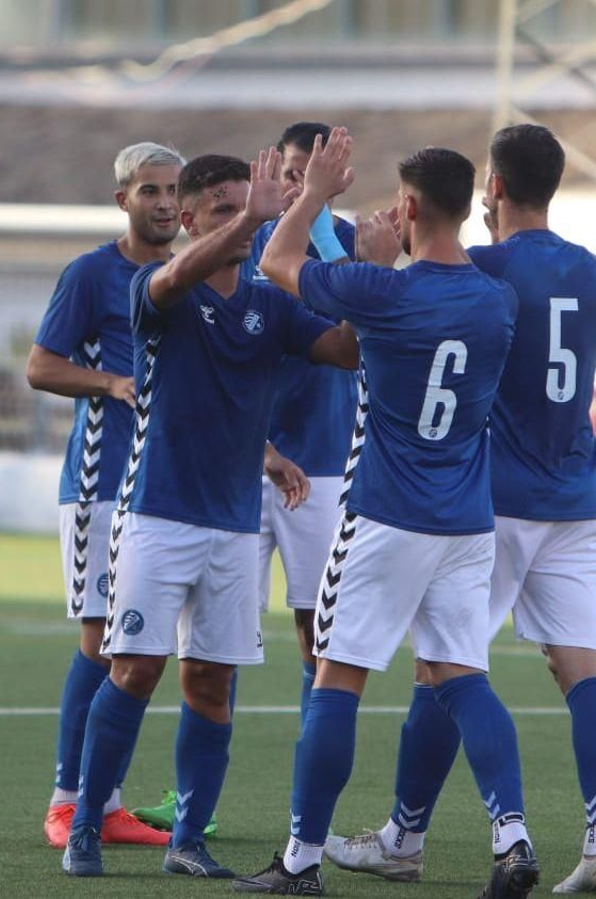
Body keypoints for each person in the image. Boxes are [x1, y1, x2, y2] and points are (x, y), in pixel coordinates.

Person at [232, 130, 539, 898]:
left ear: (406, 207)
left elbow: (276, 263)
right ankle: (513, 836)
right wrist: (378, 264)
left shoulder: (384, 292)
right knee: (462, 674)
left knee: (337, 679)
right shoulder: (497, 303)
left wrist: (318, 199)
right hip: (467, 522)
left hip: (384, 514)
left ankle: (300, 860)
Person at [325, 123, 596, 894]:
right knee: (581, 667)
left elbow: (419, 305)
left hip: (494, 498)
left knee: (443, 668)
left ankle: (403, 835)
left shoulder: (484, 267)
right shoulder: (592, 272)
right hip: (577, 495)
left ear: (491, 189)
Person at [60, 151, 358, 880]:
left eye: (243, 206)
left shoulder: (271, 304)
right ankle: (85, 826)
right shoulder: (157, 289)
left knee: (211, 680)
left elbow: (347, 349)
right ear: (188, 219)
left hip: (232, 524)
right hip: (157, 515)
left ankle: (189, 839)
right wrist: (266, 212)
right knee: (133, 668)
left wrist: (362, 272)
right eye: (222, 208)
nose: (239, 218)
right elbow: (174, 277)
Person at [26, 141, 185, 851]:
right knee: (100, 641)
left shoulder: (192, 275)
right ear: (123, 199)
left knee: (142, 649)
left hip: (172, 488)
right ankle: (68, 801)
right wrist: (110, 384)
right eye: (149, 190)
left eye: (172, 190)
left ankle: (108, 799)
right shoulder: (92, 274)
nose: (163, 202)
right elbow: (40, 365)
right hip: (102, 483)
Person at [248, 121, 359, 717]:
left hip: (322, 462)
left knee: (317, 632)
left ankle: (307, 801)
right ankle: (194, 804)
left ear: (336, 178)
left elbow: (365, 342)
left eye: (311, 175)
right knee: (217, 638)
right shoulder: (243, 243)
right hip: (243, 460)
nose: (298, 185)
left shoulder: (354, 246)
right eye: (292, 173)